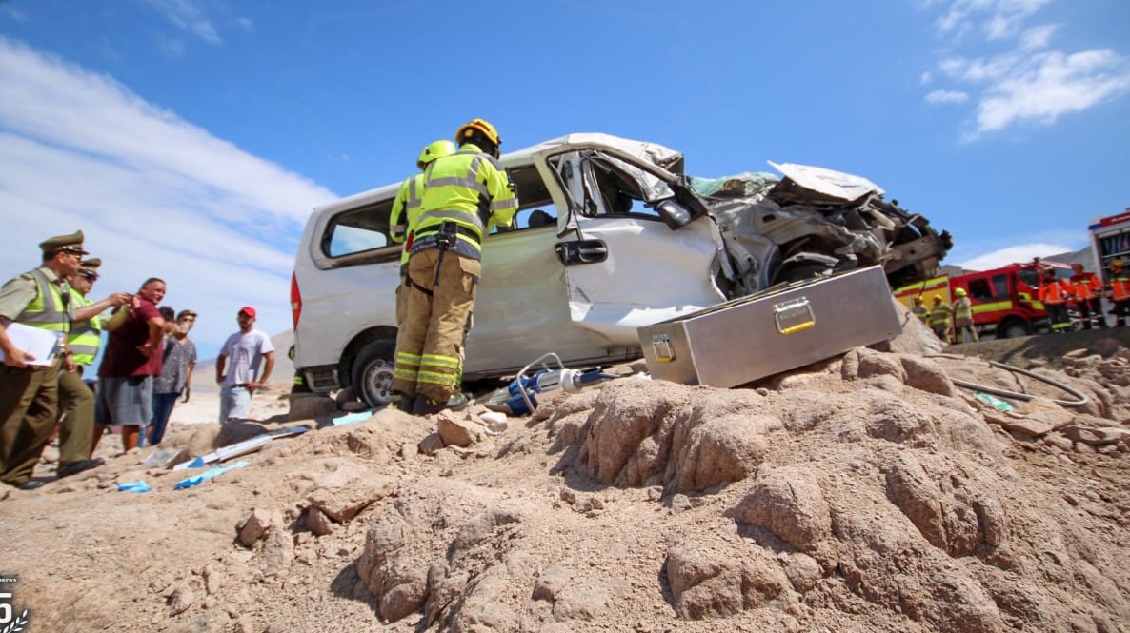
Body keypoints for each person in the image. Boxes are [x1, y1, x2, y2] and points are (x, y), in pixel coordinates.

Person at [392, 119, 518, 415]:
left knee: (417, 321)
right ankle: (435, 397)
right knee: (448, 318)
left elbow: (406, 223)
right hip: (458, 246)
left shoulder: (437, 167)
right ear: (491, 145)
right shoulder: (487, 164)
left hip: (420, 251)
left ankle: (404, 396)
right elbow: (504, 215)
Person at [0, 230, 86, 489]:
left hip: (49, 362)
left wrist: (66, 353)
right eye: (76, 255)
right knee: (10, 416)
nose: (79, 260)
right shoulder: (29, 282)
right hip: (22, 361)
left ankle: (17, 473)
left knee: (44, 415)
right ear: (61, 256)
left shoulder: (61, 288)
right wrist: (11, 349)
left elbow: (57, 326)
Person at [55, 258, 130, 477]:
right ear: (71, 276)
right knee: (82, 399)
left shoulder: (86, 302)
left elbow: (109, 324)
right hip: (62, 360)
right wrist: (108, 301)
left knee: (55, 411)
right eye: (87, 277)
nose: (91, 282)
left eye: (94, 278)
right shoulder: (66, 296)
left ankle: (68, 459)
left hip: (76, 365)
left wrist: (123, 309)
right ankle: (72, 459)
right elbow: (70, 320)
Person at [390, 140, 457, 337]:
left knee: (411, 326)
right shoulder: (461, 179)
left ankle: (409, 367)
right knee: (447, 323)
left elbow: (395, 231)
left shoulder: (410, 185)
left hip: (412, 261)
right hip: (452, 253)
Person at [93, 278, 167, 453]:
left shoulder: (124, 306)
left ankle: (83, 456)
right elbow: (158, 323)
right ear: (144, 288)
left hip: (110, 368)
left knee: (100, 418)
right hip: (134, 371)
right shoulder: (144, 305)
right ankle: (130, 456)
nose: (160, 294)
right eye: (156, 290)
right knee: (133, 418)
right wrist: (153, 346)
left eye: (163, 292)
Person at [216, 306, 275, 423]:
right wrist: (219, 375)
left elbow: (270, 358)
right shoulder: (233, 337)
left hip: (244, 387)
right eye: (241, 316)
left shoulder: (260, 337)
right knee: (223, 423)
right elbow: (222, 356)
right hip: (228, 386)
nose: (244, 319)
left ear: (253, 320)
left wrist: (260, 382)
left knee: (236, 420)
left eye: (247, 317)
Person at [148, 309, 197, 445]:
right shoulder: (168, 339)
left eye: (190, 321)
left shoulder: (191, 346)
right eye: (185, 320)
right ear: (178, 321)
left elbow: (189, 367)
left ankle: (154, 444)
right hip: (158, 383)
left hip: (175, 386)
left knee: (163, 420)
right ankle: (142, 445)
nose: (187, 323)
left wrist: (188, 386)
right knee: (150, 417)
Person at [1068, 263, 1105, 329]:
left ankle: (1102, 324)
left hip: (1092, 295)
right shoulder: (1073, 278)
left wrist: (1099, 292)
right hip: (1080, 298)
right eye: (1075, 269)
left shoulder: (1090, 275)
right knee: (1084, 313)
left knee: (1097, 311)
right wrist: (1072, 296)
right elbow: (1071, 288)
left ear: (1081, 268)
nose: (1076, 269)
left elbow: (1097, 284)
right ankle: (1087, 326)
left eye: (1077, 268)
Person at [1038, 265, 1072, 334]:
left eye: (1046, 273)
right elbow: (1041, 292)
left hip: (1061, 303)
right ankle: (1057, 331)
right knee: (1053, 318)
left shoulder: (1059, 280)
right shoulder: (1043, 283)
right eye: (1044, 274)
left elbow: (1067, 289)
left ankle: (1067, 330)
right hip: (1049, 304)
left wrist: (1067, 295)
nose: (1044, 275)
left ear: (1051, 272)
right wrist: (1042, 300)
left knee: (1064, 317)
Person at [1107, 259, 1130, 327]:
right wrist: (1111, 296)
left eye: (1112, 266)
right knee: (1119, 313)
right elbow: (1112, 287)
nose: (1111, 268)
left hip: (1128, 297)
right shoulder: (1111, 276)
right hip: (1118, 298)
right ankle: (1120, 326)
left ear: (1118, 266)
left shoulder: (1127, 273)